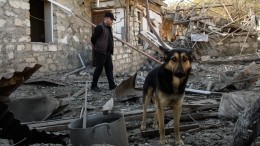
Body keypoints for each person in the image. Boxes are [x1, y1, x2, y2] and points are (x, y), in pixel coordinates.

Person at [90, 12, 117, 92]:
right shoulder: (99, 27)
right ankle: (93, 86)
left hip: (108, 53)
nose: (112, 21)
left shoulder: (109, 28)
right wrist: (98, 47)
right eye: (111, 20)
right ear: (107, 18)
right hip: (100, 52)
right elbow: (93, 39)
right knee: (99, 69)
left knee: (109, 69)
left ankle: (112, 85)